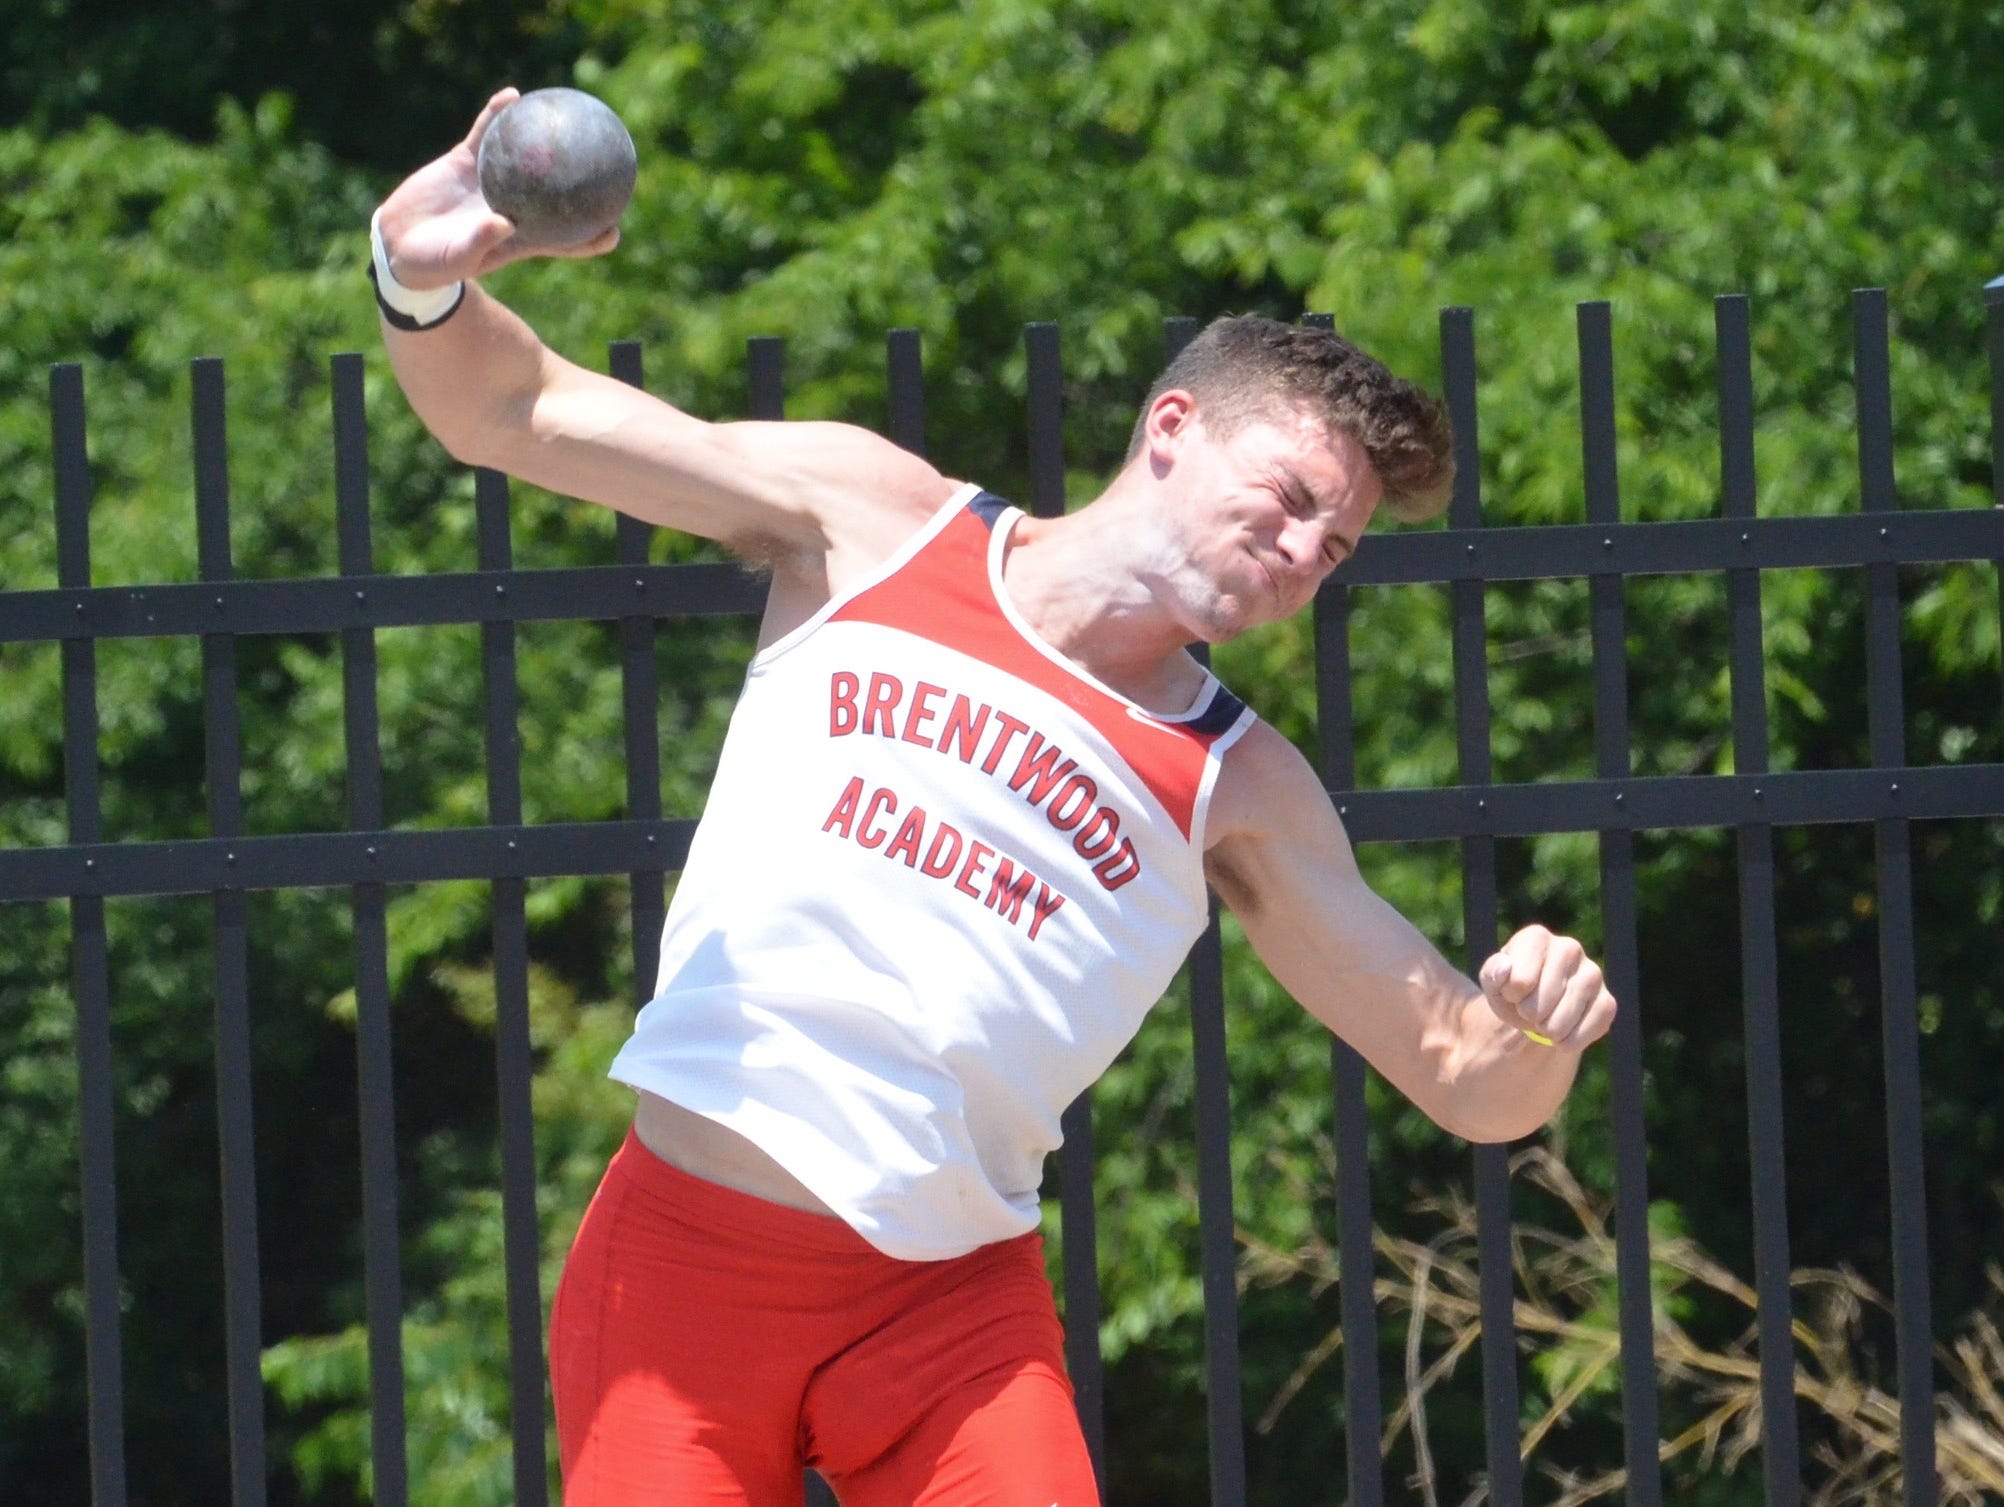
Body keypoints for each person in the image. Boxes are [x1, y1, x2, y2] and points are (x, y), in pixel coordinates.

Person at [372, 89, 1617, 1507]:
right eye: (1284, 499)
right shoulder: (879, 523)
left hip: (946, 1311)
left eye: (1333, 549)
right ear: (1172, 428)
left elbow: (1464, 1076)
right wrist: (417, 278)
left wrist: (1541, 1030)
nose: (1298, 553)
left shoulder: (1237, 784)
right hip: (686, 1271)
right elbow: (518, 409)